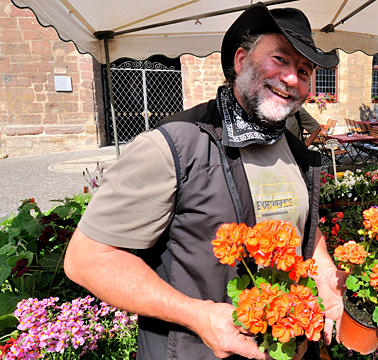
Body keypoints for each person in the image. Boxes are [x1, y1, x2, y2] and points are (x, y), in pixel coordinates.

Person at [63, 4, 346, 360]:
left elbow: (303, 225)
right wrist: (198, 316)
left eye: (304, 70)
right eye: (280, 59)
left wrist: (324, 273)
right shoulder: (173, 145)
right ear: (241, 60)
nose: (292, 78)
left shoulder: (292, 147)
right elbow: (87, 259)